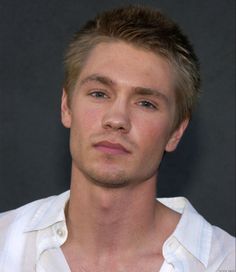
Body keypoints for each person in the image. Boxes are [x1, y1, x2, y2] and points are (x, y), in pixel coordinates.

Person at [0, 5, 234, 272]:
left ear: (176, 132)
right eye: (99, 93)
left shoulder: (224, 262)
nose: (117, 119)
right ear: (66, 106)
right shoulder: (4, 245)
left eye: (145, 103)